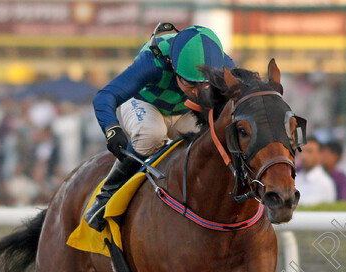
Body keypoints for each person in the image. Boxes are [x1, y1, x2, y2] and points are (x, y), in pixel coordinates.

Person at [86, 24, 235, 230]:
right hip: (142, 102)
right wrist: (112, 129)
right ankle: (106, 196)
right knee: (152, 135)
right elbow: (105, 96)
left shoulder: (224, 64)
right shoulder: (152, 62)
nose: (197, 92)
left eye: (205, 84)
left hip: (183, 110)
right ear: (173, 67)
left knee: (211, 137)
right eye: (190, 84)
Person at [296, 137, 337, 206]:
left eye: (309, 151)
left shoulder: (324, 182)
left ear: (320, 155)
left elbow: (305, 208)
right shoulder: (296, 178)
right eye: (301, 151)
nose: (304, 156)